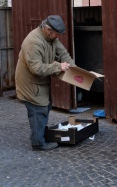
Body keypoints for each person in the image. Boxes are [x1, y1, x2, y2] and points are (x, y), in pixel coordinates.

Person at [15, 15, 75, 151]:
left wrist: (75, 71)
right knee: (38, 110)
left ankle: (39, 136)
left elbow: (63, 54)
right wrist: (58, 67)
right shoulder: (33, 42)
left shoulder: (51, 38)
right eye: (56, 34)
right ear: (48, 30)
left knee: (45, 107)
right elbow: (36, 68)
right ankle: (38, 143)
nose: (57, 37)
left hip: (40, 82)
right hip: (30, 84)